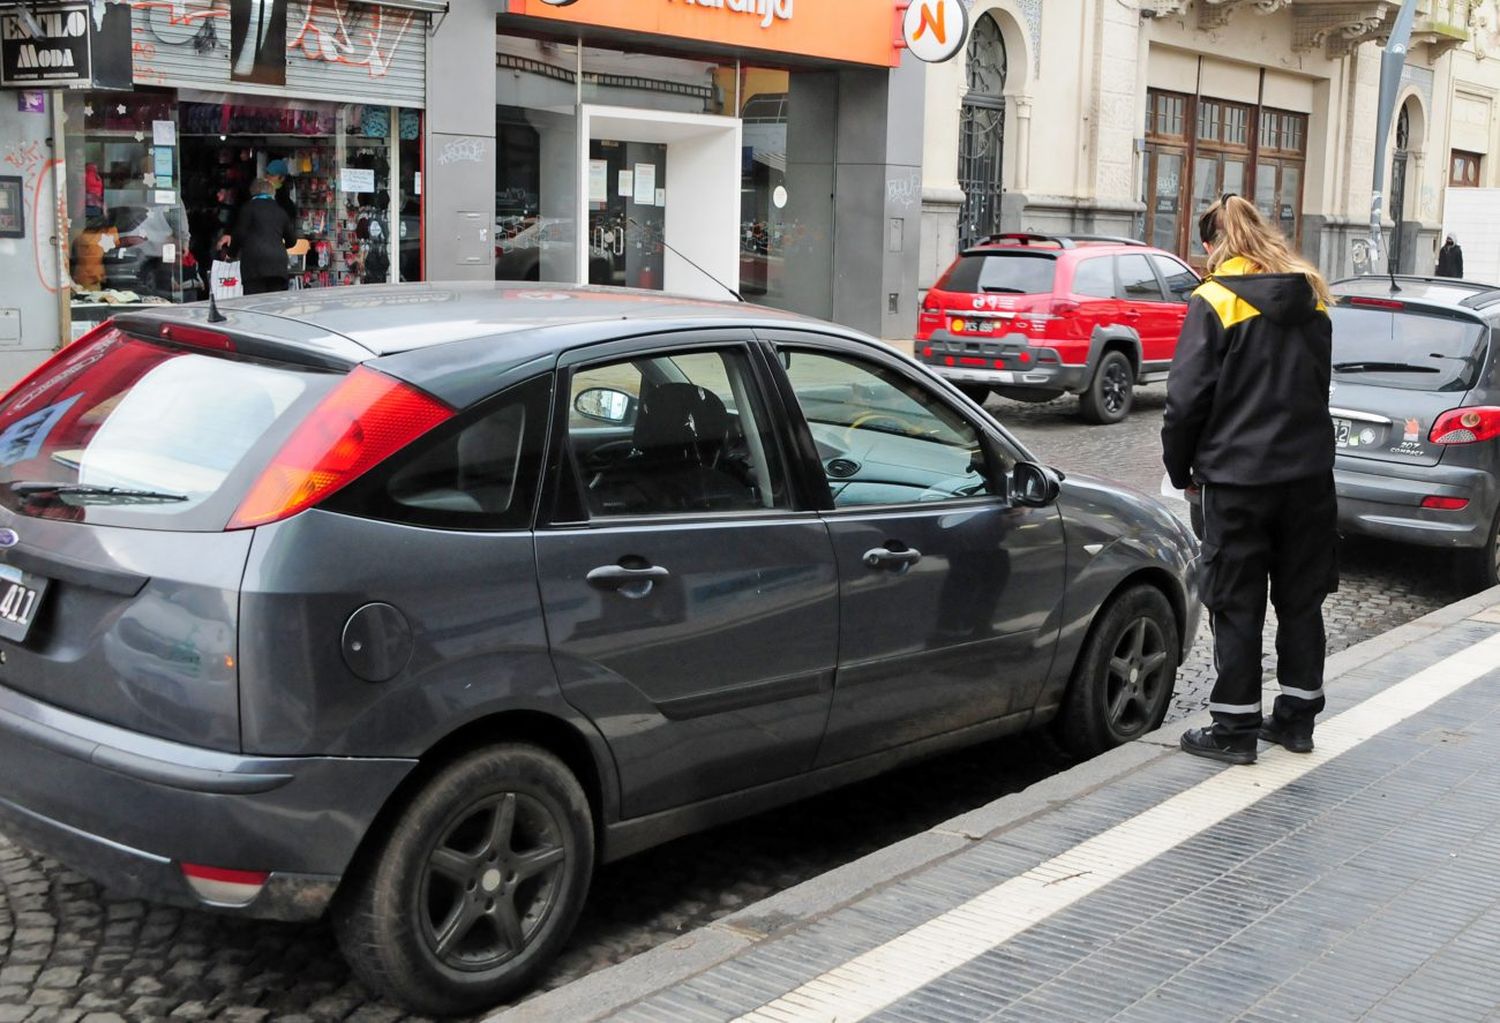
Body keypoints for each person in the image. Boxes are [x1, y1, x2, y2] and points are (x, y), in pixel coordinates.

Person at [1162, 193, 1337, 767]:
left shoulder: (1213, 300)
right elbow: (1318, 387)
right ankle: (1296, 720)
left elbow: (1186, 403)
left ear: (1214, 245)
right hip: (1308, 477)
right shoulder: (1312, 297)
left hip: (1237, 480)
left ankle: (1234, 729)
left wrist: (1181, 470)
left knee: (1236, 603)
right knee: (1302, 596)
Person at [221, 177, 297, 295]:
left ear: (252, 192)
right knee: (274, 304)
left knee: (255, 304)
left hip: (254, 264)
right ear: (272, 192)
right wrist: (276, 246)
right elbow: (292, 241)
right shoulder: (280, 211)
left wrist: (231, 254)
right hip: (278, 264)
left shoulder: (247, 208)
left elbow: (239, 234)